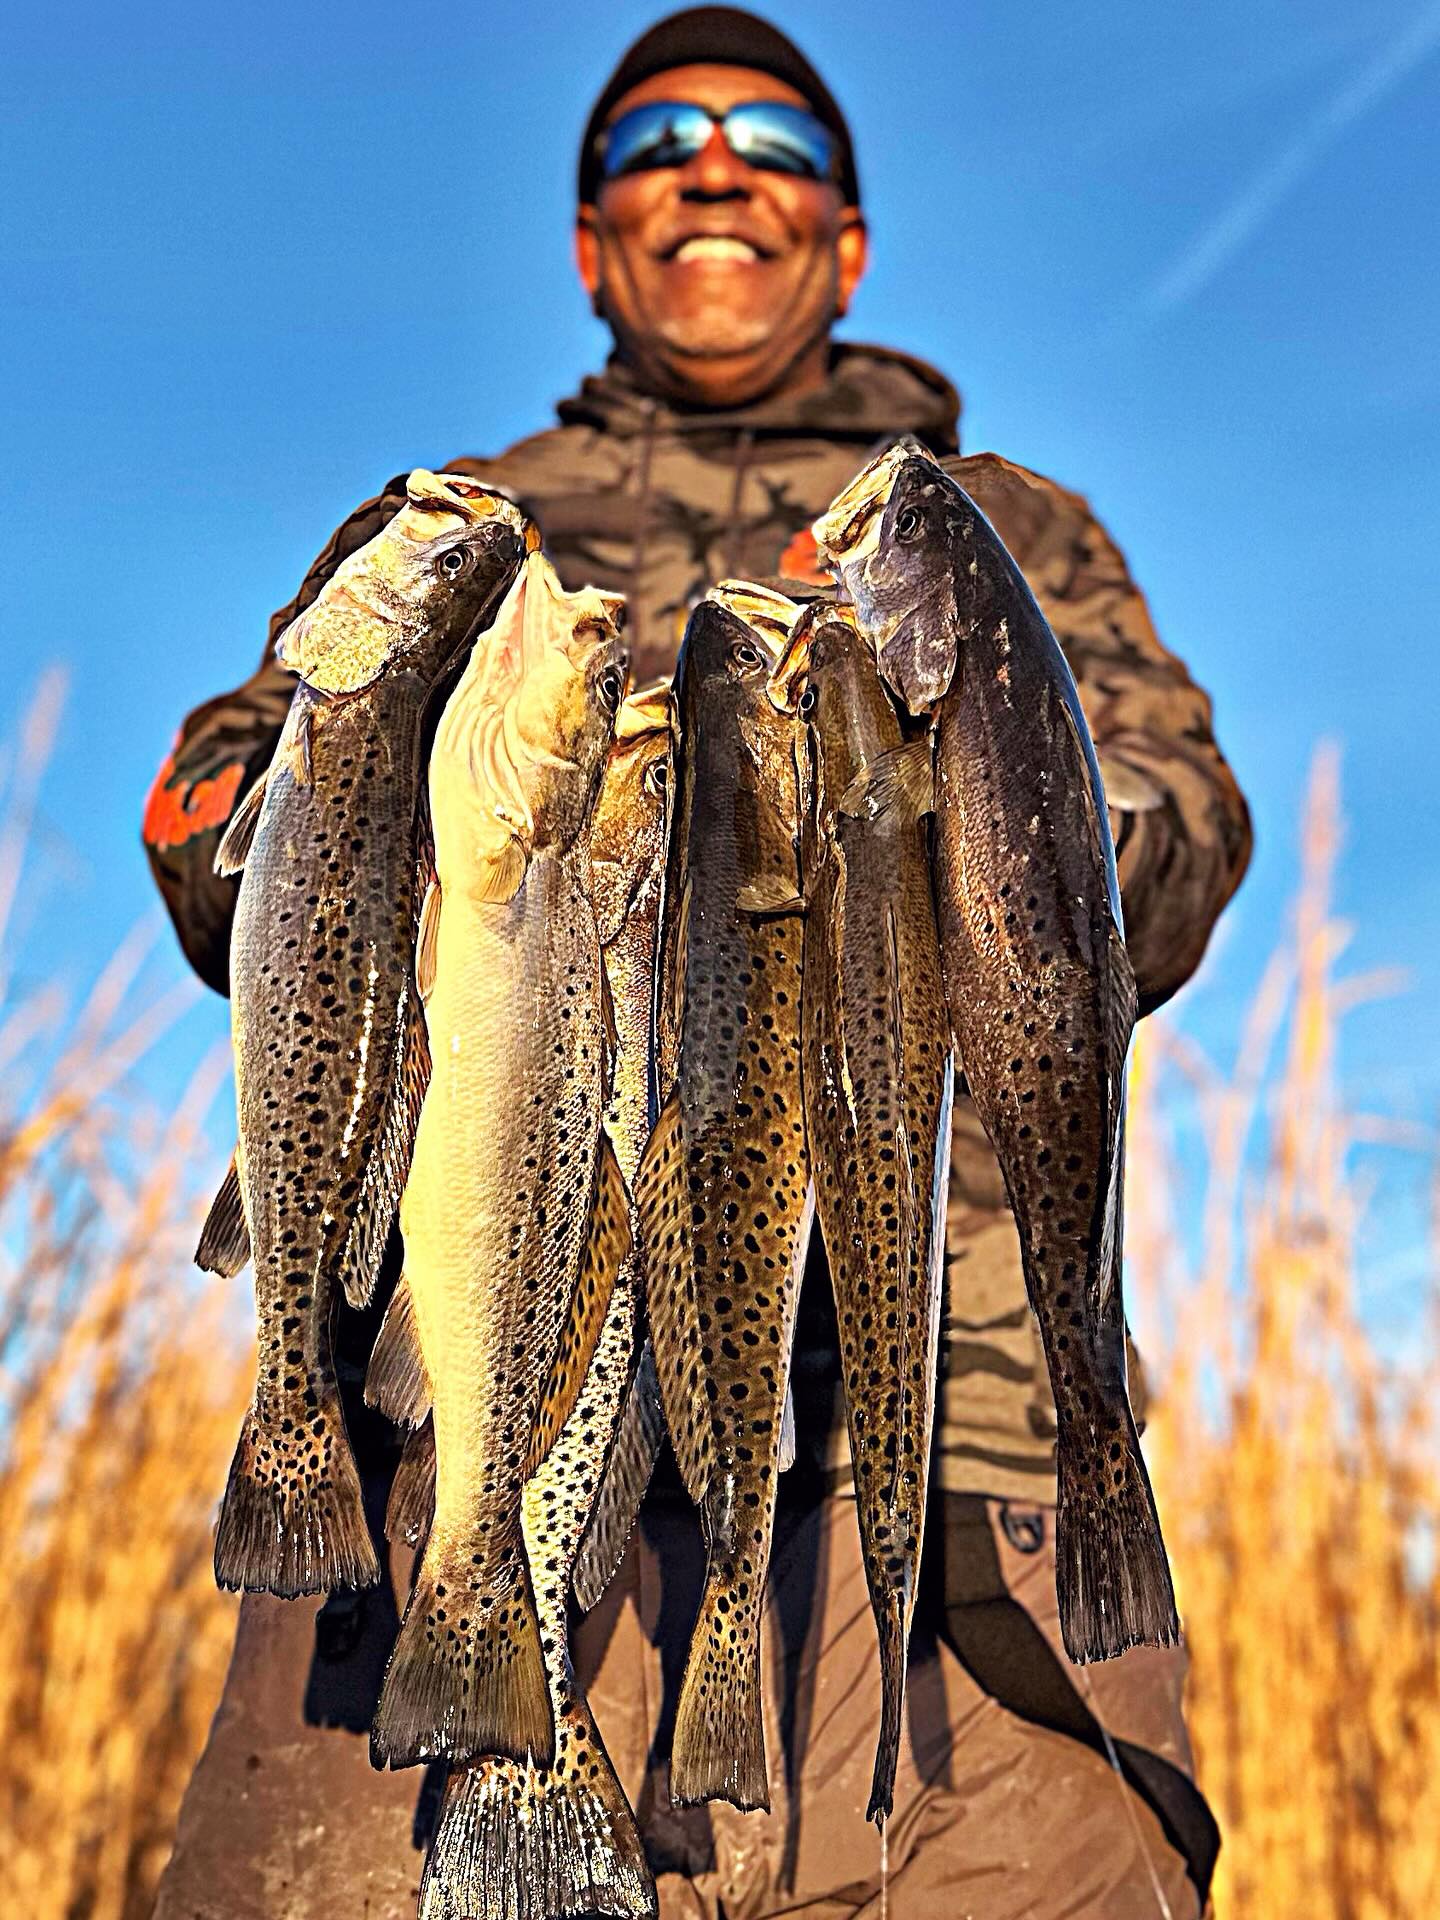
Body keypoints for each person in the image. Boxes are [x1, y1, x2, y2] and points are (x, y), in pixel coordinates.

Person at [145, 11, 1251, 1918]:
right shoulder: (464, 526)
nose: (717, 163)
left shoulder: (994, 541)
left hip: (937, 1462)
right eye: (661, 136)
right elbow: (219, 834)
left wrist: (970, 842)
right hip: (455, 1437)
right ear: (592, 241)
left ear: (847, 238)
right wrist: (289, 786)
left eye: (775, 141)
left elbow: (1174, 836)